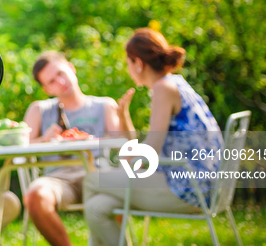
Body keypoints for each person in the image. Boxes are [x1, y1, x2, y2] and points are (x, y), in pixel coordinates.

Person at [82, 28, 223, 246]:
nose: (128, 68)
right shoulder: (175, 83)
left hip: (188, 188)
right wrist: (124, 117)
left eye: (128, 62)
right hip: (199, 183)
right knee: (96, 208)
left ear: (137, 62)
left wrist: (127, 162)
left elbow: (150, 152)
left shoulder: (163, 89)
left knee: (92, 179)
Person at [22, 51, 134, 246]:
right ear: (47, 89)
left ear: (71, 68)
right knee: (34, 196)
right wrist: (44, 140)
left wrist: (122, 118)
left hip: (97, 172)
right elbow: (20, 147)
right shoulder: (39, 109)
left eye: (61, 73)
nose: (60, 81)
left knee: (116, 188)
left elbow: (127, 143)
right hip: (59, 178)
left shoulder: (104, 105)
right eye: (52, 81)